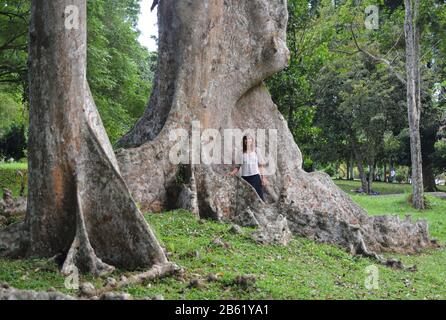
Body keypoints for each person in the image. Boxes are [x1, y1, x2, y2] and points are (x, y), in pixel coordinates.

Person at [228, 135, 267, 201]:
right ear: (244, 141)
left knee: (259, 197)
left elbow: (261, 165)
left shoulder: (256, 151)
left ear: (252, 141)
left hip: (256, 177)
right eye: (245, 139)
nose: (247, 140)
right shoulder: (240, 153)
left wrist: (263, 178)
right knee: (247, 198)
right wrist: (232, 173)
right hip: (245, 178)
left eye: (249, 139)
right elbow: (238, 167)